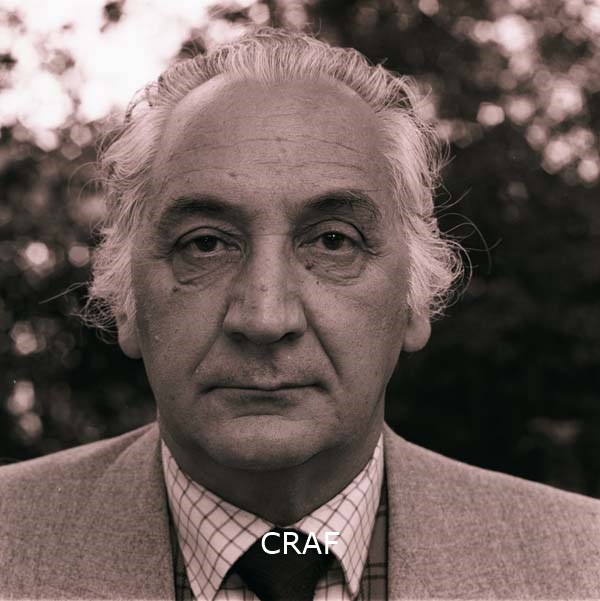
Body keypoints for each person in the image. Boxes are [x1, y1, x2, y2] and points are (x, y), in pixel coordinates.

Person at [1, 28, 598, 601]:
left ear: (415, 298)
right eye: (205, 244)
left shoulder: (583, 565)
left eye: (333, 242)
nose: (265, 318)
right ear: (126, 300)